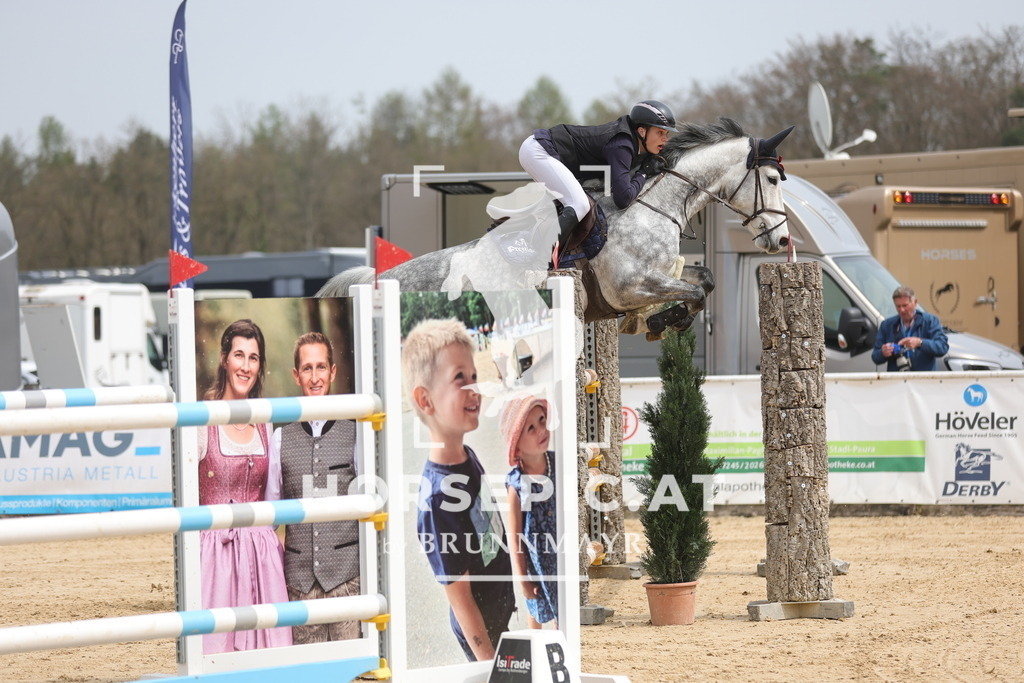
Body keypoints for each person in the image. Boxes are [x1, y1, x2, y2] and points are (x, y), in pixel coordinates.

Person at [402, 318, 515, 662]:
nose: (474, 390)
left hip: (499, 613)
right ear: (425, 400)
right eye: (458, 379)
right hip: (483, 632)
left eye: (474, 377)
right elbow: (461, 600)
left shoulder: (467, 456)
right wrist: (489, 664)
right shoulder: (438, 500)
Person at [198, 319, 291, 653]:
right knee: (213, 646)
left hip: (261, 553)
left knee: (269, 647)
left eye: (254, 358)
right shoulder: (202, 418)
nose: (246, 366)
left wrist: (262, 539)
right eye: (239, 355)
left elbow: (272, 496)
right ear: (224, 359)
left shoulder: (265, 421)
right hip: (214, 553)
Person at [267, 332, 361, 644]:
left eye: (321, 367)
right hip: (299, 586)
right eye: (307, 368)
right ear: (296, 376)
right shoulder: (280, 438)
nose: (315, 377)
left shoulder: (355, 433)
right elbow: (271, 515)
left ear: (333, 372)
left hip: (348, 582)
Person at [518, 99, 679, 249]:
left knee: (574, 204)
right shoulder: (622, 145)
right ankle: (537, 255)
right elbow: (622, 199)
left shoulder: (630, 142)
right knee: (579, 204)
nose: (665, 139)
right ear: (642, 132)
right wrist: (643, 173)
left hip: (542, 150)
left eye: (667, 134)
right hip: (539, 151)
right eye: (660, 133)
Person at [500, 393, 558, 629]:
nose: (541, 431)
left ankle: (562, 648)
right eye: (531, 428)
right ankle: (535, 646)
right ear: (517, 445)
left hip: (561, 556)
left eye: (542, 421)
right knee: (537, 609)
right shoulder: (518, 484)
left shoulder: (559, 465)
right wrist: (523, 580)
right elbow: (514, 539)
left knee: (561, 612)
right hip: (538, 565)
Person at [871, 286, 950, 371]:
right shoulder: (887, 325)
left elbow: (942, 347)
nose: (902, 310)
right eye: (898, 306)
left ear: (915, 303)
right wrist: (883, 352)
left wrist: (920, 343)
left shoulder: (930, 321)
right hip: (897, 381)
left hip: (923, 381)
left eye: (905, 305)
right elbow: (875, 357)